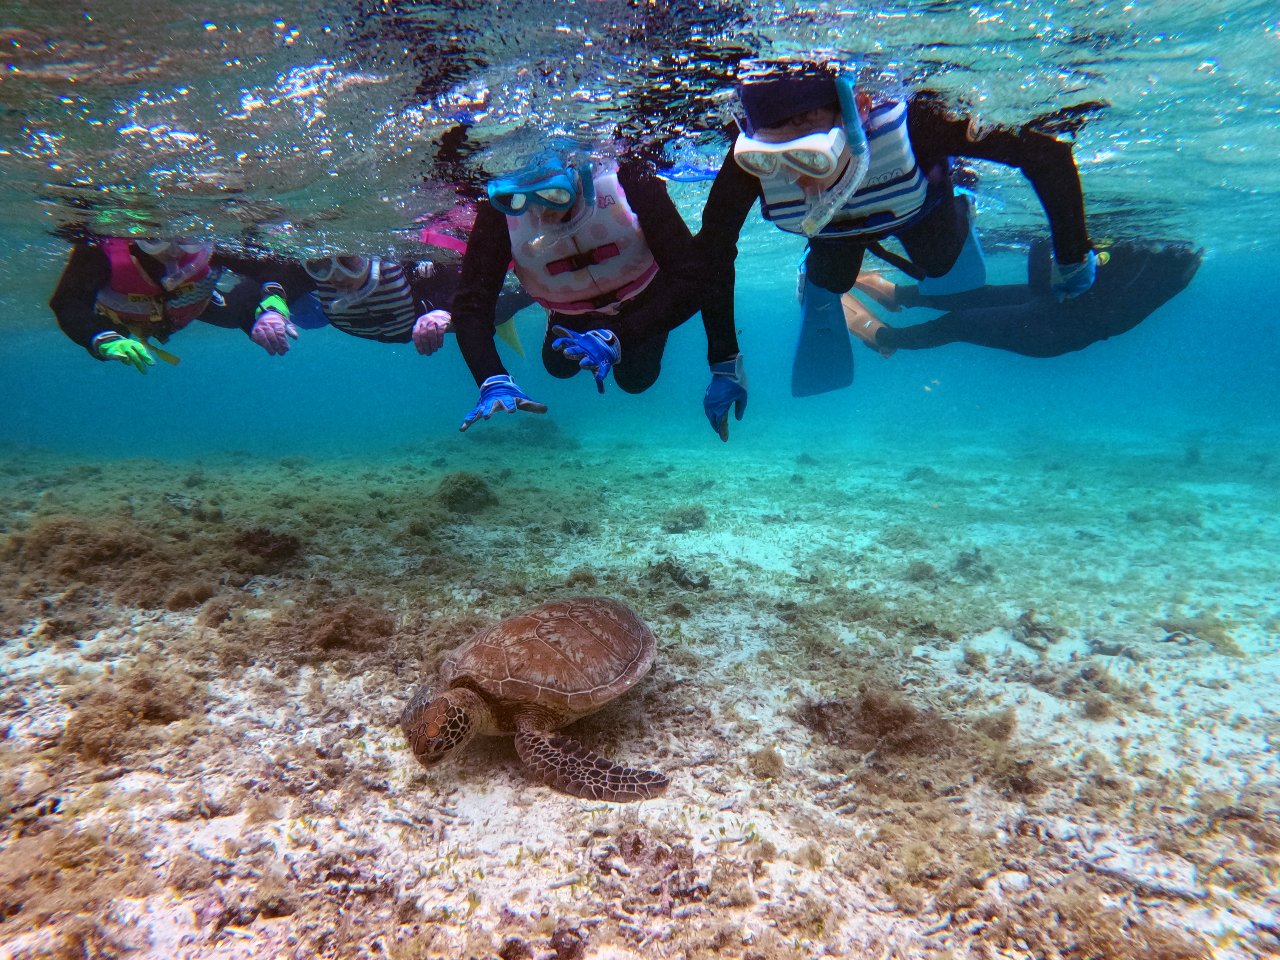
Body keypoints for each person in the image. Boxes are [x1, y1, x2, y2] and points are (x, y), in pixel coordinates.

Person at [695, 59, 1096, 398]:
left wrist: (1073, 253)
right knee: (832, 280)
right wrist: (724, 360)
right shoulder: (743, 167)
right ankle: (816, 266)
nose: (799, 180)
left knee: (940, 265)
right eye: (771, 160)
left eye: (809, 157)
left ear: (859, 111)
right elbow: (711, 256)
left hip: (917, 207)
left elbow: (1045, 151)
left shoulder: (922, 125)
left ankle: (961, 189)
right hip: (834, 230)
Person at [448, 143, 743, 437]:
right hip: (569, 309)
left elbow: (697, 275)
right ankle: (564, 322)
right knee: (557, 367)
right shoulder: (498, 211)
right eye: (521, 199)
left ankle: (620, 336)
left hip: (642, 301)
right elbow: (471, 304)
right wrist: (491, 377)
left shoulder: (630, 177)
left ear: (581, 177)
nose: (540, 211)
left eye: (553, 194)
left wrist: (626, 335)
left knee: (637, 379)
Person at [842, 237, 1202, 358]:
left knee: (958, 324)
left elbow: (1047, 282)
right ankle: (896, 294)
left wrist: (1043, 241)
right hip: (1064, 307)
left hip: (1052, 329)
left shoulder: (1138, 258)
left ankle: (881, 337)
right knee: (976, 296)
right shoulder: (1157, 260)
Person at [219, 233, 536, 358]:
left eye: (348, 261)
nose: (337, 277)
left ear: (368, 256)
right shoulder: (310, 269)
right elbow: (273, 278)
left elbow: (470, 281)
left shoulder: (412, 268)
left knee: (508, 301)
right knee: (259, 307)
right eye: (320, 266)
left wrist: (448, 314)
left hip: (423, 309)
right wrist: (271, 310)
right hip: (325, 316)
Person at [50, 237, 295, 372]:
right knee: (112, 344)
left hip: (193, 302)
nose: (172, 250)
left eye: (185, 239)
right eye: (155, 238)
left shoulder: (216, 245)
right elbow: (68, 302)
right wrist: (99, 337)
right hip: (122, 319)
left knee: (237, 315)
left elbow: (273, 266)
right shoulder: (97, 253)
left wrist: (273, 304)